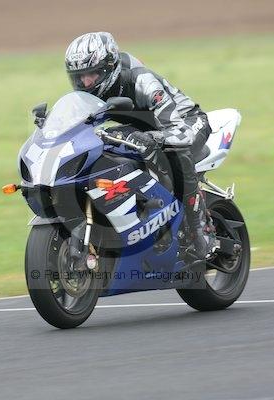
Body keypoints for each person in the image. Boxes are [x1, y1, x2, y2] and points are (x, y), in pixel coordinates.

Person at [65, 31, 215, 260]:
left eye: (92, 74)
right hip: (144, 129)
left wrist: (156, 137)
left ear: (109, 67)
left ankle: (199, 228)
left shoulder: (142, 81)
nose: (86, 83)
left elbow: (177, 129)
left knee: (175, 152)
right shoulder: (86, 94)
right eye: (79, 77)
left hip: (185, 122)